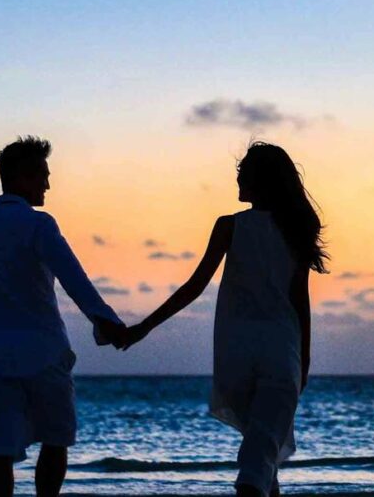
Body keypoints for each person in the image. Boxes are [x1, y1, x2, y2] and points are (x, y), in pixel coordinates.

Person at [121, 141, 327, 497]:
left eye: (243, 175)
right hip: (281, 351)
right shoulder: (296, 228)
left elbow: (193, 287)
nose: (237, 182)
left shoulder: (230, 226)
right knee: (260, 455)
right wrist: (304, 359)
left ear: (260, 181)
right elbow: (299, 299)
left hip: (236, 354)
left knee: (261, 451)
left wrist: (144, 327)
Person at [0, 135, 127, 497]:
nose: (48, 185)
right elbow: (74, 278)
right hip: (42, 351)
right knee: (56, 440)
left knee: (0, 451)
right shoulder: (39, 224)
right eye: (43, 176)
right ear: (22, 177)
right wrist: (108, 322)